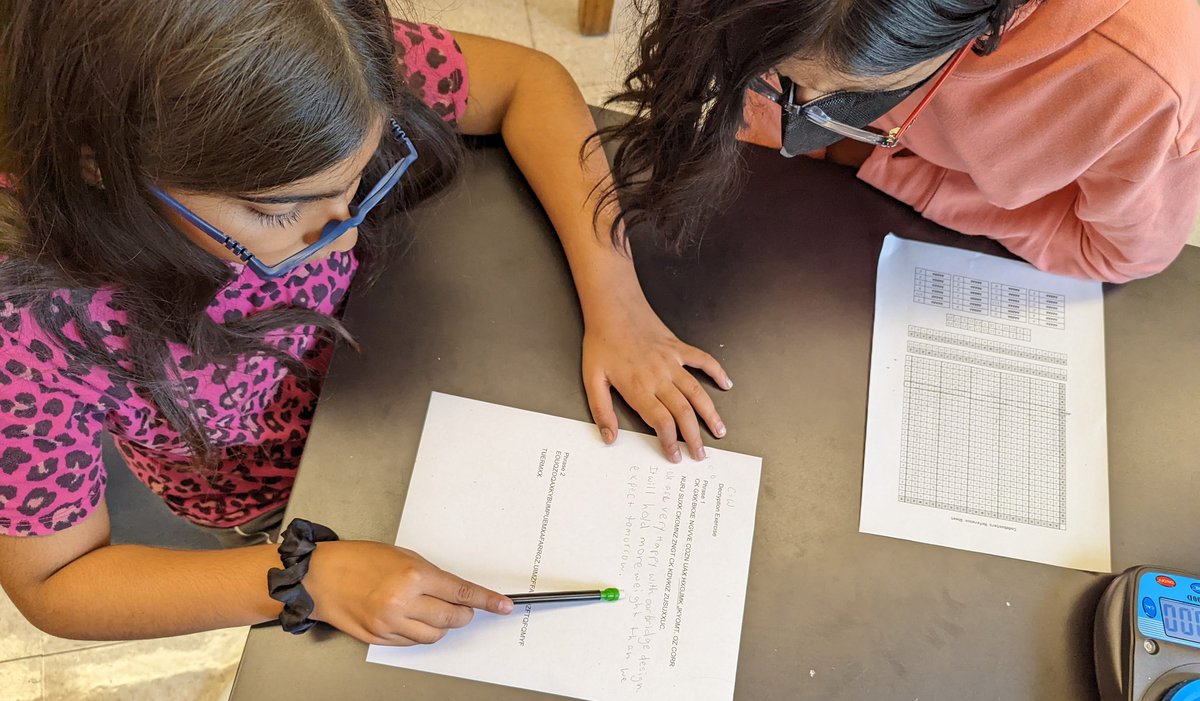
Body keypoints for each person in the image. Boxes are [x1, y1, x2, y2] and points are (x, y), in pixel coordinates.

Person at [0, 0, 732, 647]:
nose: (344, 237)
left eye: (358, 185)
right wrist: (297, 579)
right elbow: (56, 582)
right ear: (102, 165)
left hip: (395, 372)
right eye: (282, 208)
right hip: (271, 498)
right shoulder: (27, 326)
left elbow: (525, 82)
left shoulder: (313, 57)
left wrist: (619, 304)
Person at [603, 0, 1200, 283]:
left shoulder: (1142, 84)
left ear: (985, 28)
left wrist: (875, 161)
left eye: (861, 96)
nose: (801, 118)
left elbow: (1117, 253)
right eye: (779, 75)